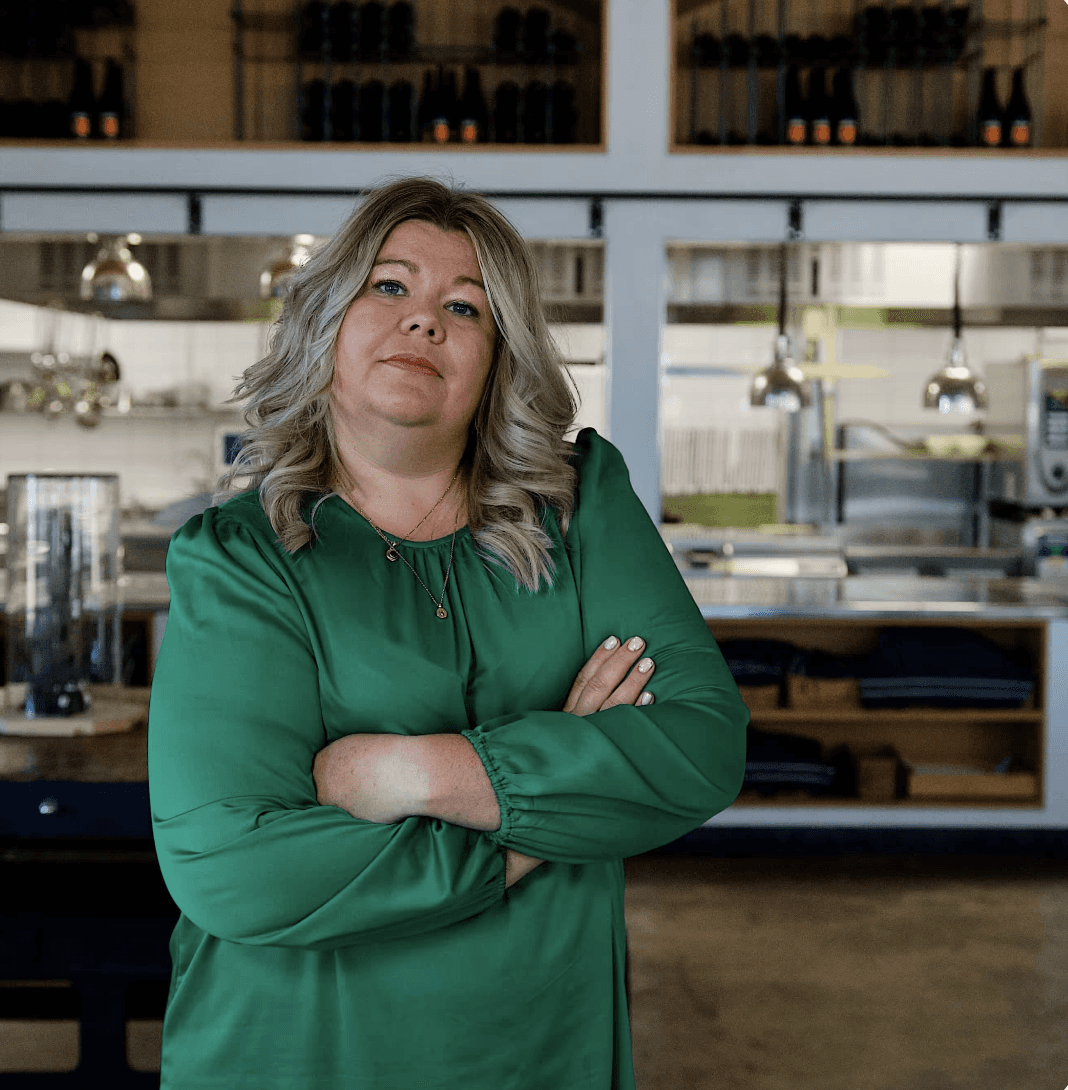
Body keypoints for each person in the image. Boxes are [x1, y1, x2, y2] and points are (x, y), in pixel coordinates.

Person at [147, 175, 750, 1090]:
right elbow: (233, 867)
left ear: (497, 357)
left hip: (537, 1049)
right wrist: (542, 824)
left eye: (463, 306)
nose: (423, 320)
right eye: (389, 287)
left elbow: (700, 746)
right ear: (326, 324)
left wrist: (407, 771)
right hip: (293, 1051)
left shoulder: (581, 513)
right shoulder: (237, 558)